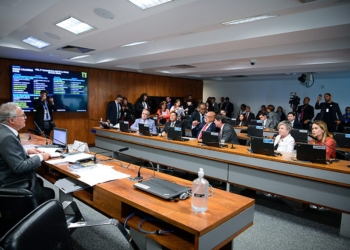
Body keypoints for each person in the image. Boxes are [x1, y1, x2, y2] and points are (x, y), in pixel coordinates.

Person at [0, 102, 54, 204]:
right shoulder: (8, 137)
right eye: (23, 115)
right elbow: (19, 167)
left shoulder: (3, 131)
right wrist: (40, 156)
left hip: (5, 178)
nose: (25, 117)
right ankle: (34, 218)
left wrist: (25, 151)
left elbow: (5, 152)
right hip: (10, 183)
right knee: (49, 192)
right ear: (11, 120)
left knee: (40, 182)